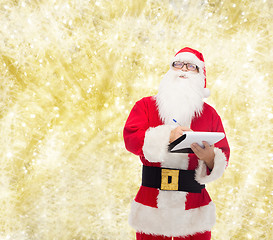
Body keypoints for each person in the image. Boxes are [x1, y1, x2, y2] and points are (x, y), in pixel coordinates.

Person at [123, 47, 230, 240]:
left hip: (194, 209)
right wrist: (167, 136)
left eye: (191, 66)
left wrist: (210, 159)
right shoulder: (145, 106)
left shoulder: (210, 115)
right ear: (169, 70)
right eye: (178, 64)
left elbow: (223, 152)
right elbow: (131, 139)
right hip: (152, 206)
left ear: (201, 76)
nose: (183, 69)